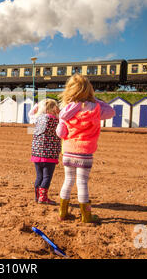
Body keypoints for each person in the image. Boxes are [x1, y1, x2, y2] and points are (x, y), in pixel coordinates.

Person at [56, 74, 115, 223]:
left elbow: (60, 133)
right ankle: (86, 216)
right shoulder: (95, 108)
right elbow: (111, 112)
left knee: (68, 180)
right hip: (85, 152)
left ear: (69, 91)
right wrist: (96, 100)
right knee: (82, 183)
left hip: (68, 151)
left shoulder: (66, 110)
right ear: (89, 90)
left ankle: (63, 212)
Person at [29, 99, 62, 205]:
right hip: (49, 154)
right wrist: (59, 112)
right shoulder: (56, 121)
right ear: (54, 108)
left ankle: (37, 196)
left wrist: (35, 108)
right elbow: (63, 122)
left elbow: (31, 114)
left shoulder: (38, 119)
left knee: (39, 176)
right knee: (47, 176)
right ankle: (43, 198)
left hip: (37, 153)